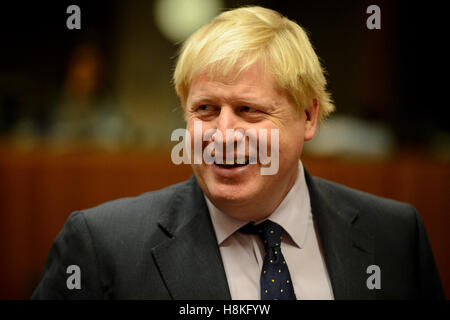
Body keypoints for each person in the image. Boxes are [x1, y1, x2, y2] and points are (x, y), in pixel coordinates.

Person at [32, 6, 444, 300]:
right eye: (205, 110)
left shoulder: (394, 236)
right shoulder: (102, 247)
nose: (223, 135)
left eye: (249, 110)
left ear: (308, 116)